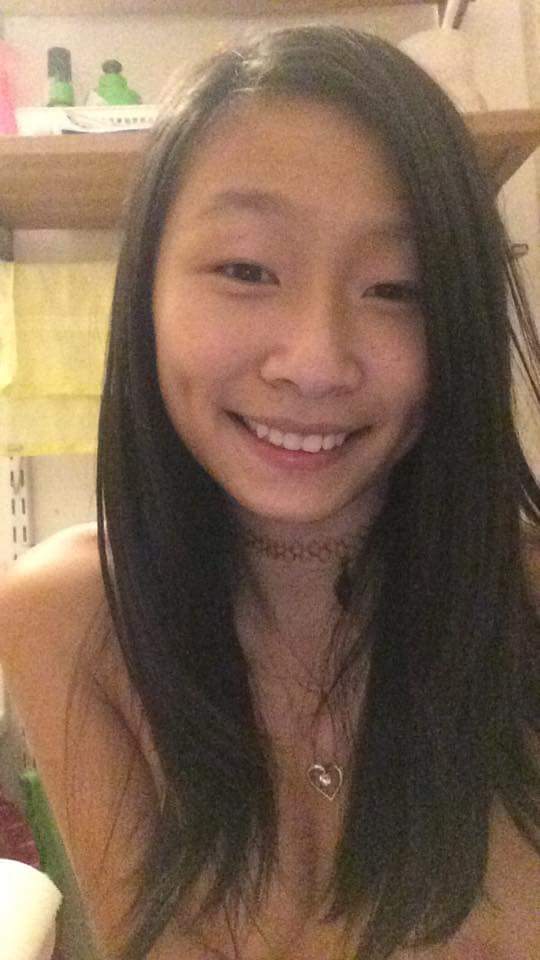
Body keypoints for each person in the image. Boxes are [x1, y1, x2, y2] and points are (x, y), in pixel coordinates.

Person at [1, 23, 539, 960]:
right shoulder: (67, 620)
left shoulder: (522, 606)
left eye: (397, 288)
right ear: (146, 291)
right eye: (246, 270)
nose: (316, 360)